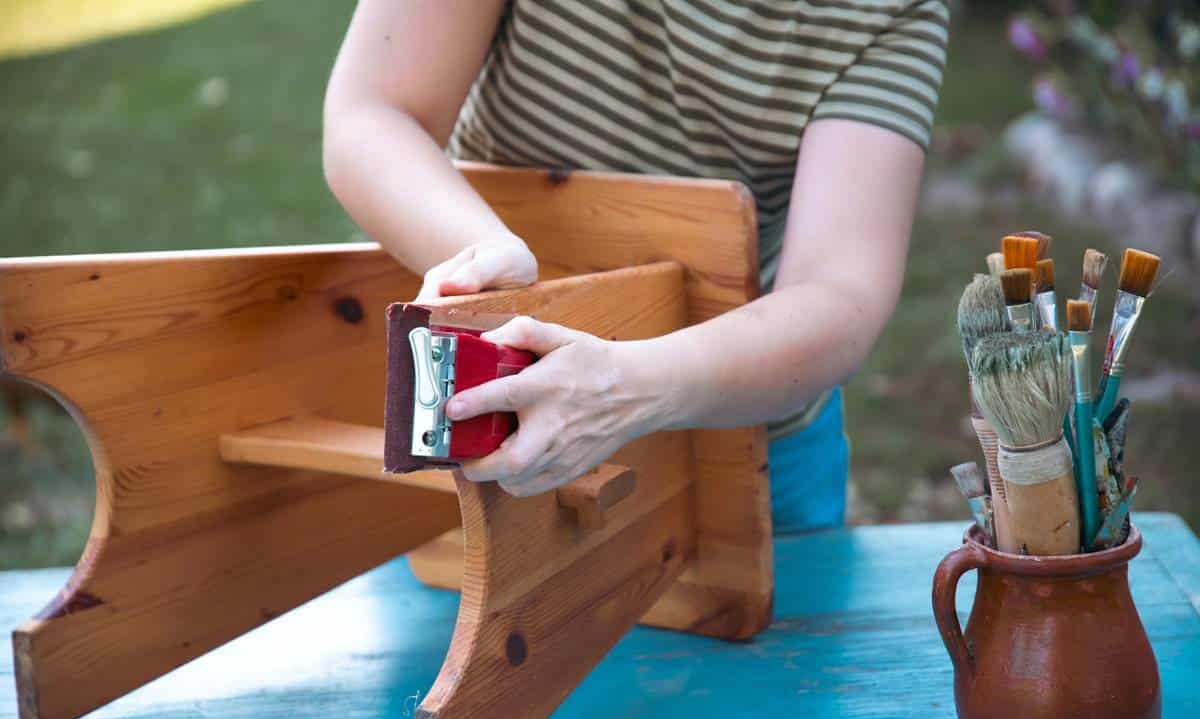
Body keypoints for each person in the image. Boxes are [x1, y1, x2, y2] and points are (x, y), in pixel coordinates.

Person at [324, 1, 949, 531]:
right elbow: (374, 112)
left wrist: (629, 389)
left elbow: (839, 291)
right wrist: (479, 251)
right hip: (483, 406)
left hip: (740, 434)